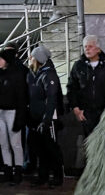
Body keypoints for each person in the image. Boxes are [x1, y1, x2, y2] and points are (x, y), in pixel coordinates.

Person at [27, 45, 64, 187]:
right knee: (39, 149)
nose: (29, 58)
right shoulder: (33, 73)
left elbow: (52, 99)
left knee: (51, 148)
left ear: (38, 59)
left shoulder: (49, 75)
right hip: (35, 118)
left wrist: (46, 120)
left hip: (47, 119)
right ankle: (43, 175)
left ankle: (57, 176)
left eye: (32, 56)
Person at [67, 35, 105, 137]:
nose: (87, 49)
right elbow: (72, 88)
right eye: (85, 47)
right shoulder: (78, 66)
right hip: (86, 114)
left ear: (98, 49)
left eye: (90, 46)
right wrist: (76, 109)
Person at [0, 49, 27, 185]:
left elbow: (21, 98)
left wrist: (20, 117)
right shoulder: (1, 74)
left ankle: (18, 170)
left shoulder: (17, 75)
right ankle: (8, 169)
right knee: (3, 143)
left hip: (13, 112)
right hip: (1, 112)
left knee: (15, 144)